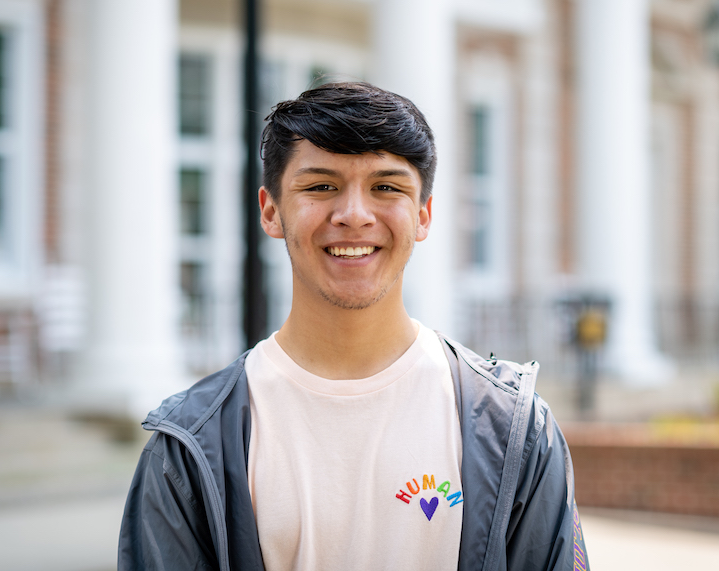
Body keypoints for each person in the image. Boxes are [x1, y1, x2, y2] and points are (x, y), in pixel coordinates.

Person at [118, 82, 589, 571]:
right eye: (321, 186)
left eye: (386, 187)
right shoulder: (189, 447)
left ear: (424, 214)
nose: (354, 215)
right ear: (271, 211)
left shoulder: (514, 428)